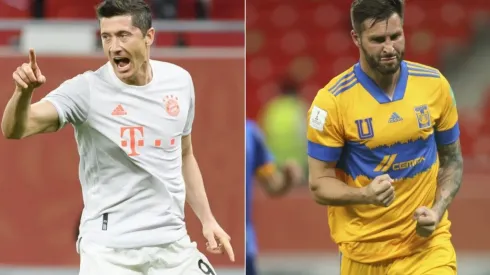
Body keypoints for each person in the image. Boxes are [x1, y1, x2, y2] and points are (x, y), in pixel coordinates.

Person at [1, 0, 234, 274]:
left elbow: (184, 154)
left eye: (123, 35)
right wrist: (23, 93)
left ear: (149, 37)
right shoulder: (85, 90)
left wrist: (207, 220)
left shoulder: (180, 81)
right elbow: (14, 130)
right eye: (106, 37)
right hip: (110, 252)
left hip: (173, 245)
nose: (114, 47)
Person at [306, 1, 463, 275]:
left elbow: (452, 161)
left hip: (426, 249)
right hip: (363, 255)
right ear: (356, 38)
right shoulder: (331, 103)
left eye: (396, 36)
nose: (390, 48)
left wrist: (437, 210)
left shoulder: (435, 85)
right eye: (378, 40)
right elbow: (319, 184)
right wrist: (364, 194)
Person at [245, 119, 302, 275]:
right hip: (201, 240)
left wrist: (287, 178)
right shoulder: (192, 127)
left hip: (244, 245)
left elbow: (272, 186)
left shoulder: (250, 133)